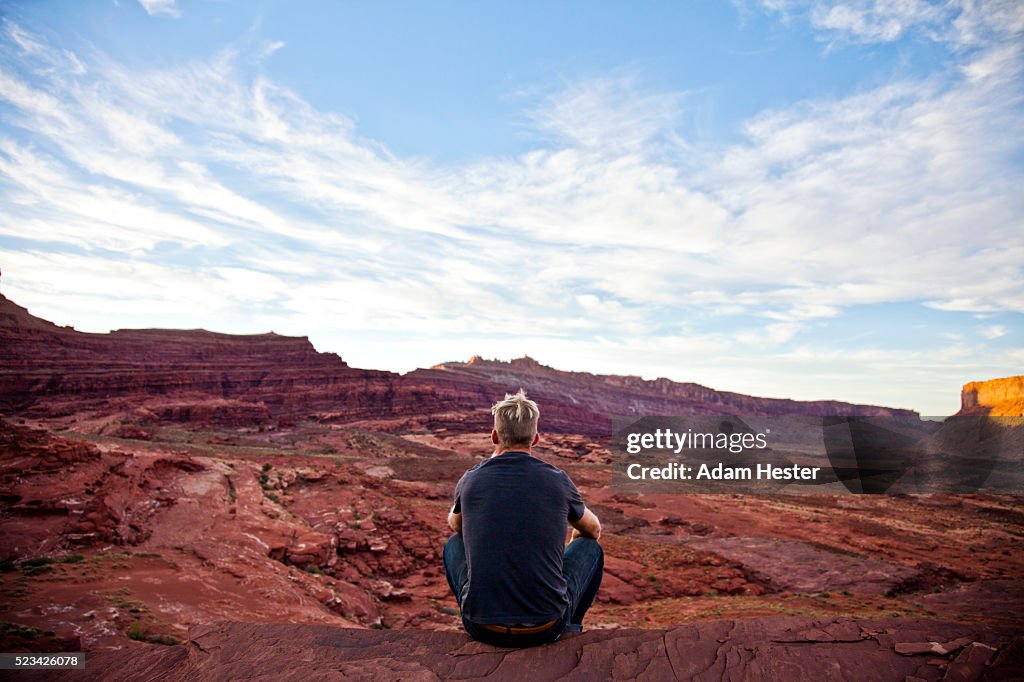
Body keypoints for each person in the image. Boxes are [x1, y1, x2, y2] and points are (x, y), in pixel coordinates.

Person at [443, 389, 603, 647]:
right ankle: (570, 626)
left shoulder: (471, 478)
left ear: (494, 436)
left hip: (482, 627)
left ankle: (480, 605)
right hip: (546, 627)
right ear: (536, 438)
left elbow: (455, 524)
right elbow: (593, 530)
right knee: (589, 547)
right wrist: (574, 535)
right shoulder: (557, 480)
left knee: (453, 544)